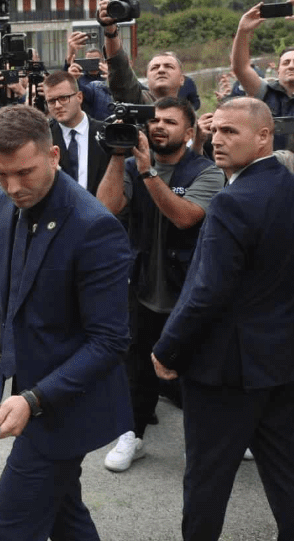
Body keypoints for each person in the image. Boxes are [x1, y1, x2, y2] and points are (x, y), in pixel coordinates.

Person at [151, 97, 294, 541]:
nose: (217, 141)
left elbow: (207, 291)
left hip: (225, 369)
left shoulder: (232, 201)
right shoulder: (290, 186)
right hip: (278, 358)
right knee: (284, 468)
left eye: (231, 132)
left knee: (207, 477)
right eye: (216, 130)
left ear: (264, 136)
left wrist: (167, 347)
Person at [0, 104, 132, 541]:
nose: (13, 186)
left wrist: (34, 400)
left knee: (10, 527)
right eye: (1, 173)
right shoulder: (0, 203)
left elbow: (109, 341)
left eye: (24, 172)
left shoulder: (94, 227)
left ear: (54, 156)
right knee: (66, 515)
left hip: (67, 406)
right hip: (26, 389)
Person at [96, 96, 224, 472]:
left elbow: (185, 218)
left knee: (193, 370)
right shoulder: (133, 167)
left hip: (187, 288)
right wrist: (119, 156)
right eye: (155, 121)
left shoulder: (207, 171)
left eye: (170, 122)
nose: (159, 127)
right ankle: (131, 435)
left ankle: (204, 441)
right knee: (137, 367)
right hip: (141, 286)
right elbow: (105, 210)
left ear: (189, 132)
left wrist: (149, 173)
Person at [42, 71, 107, 195]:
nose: (57, 105)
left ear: (79, 97)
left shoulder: (106, 132)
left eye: (63, 98)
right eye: (51, 101)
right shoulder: (43, 137)